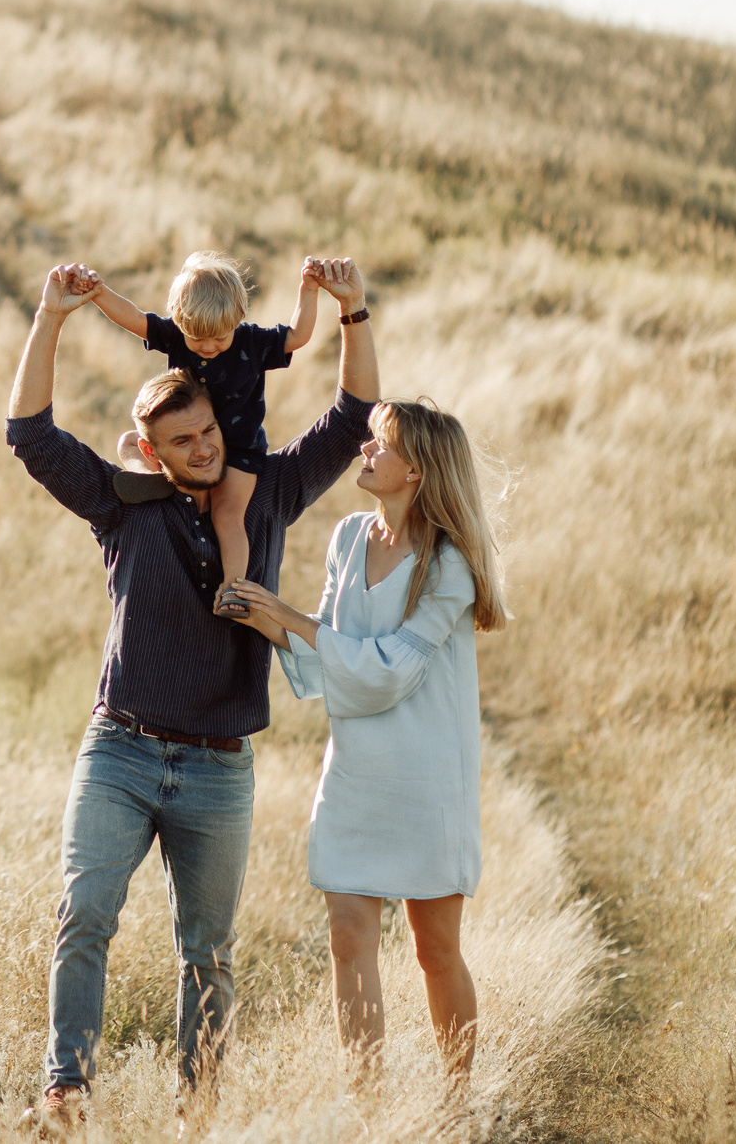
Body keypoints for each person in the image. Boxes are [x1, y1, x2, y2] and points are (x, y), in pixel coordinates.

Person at [4, 255, 376, 1126]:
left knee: (207, 953)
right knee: (84, 912)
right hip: (121, 749)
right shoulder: (122, 504)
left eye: (210, 431)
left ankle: (198, 1110)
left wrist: (353, 315)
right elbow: (29, 435)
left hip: (218, 767)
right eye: (185, 442)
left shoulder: (270, 490)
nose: (205, 448)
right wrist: (51, 317)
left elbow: (354, 416)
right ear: (152, 451)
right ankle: (66, 1090)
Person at [218, 399, 510, 1083]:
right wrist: (260, 615)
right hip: (353, 774)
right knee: (349, 938)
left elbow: (387, 673)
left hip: (427, 780)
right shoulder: (349, 536)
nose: (365, 453)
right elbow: (329, 654)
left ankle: (456, 1098)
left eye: (380, 446)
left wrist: (284, 614)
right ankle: (368, 1105)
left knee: (434, 952)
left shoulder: (449, 567)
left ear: (417, 469)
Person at [80, 252, 323, 607]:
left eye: (219, 339)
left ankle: (234, 589)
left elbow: (299, 335)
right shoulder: (176, 335)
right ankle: (153, 476)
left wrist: (309, 289)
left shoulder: (254, 343)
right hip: (187, 444)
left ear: (238, 318)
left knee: (227, 514)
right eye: (196, 339)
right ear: (181, 322)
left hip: (238, 450)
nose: (207, 347)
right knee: (130, 442)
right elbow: (133, 319)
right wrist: (99, 293)